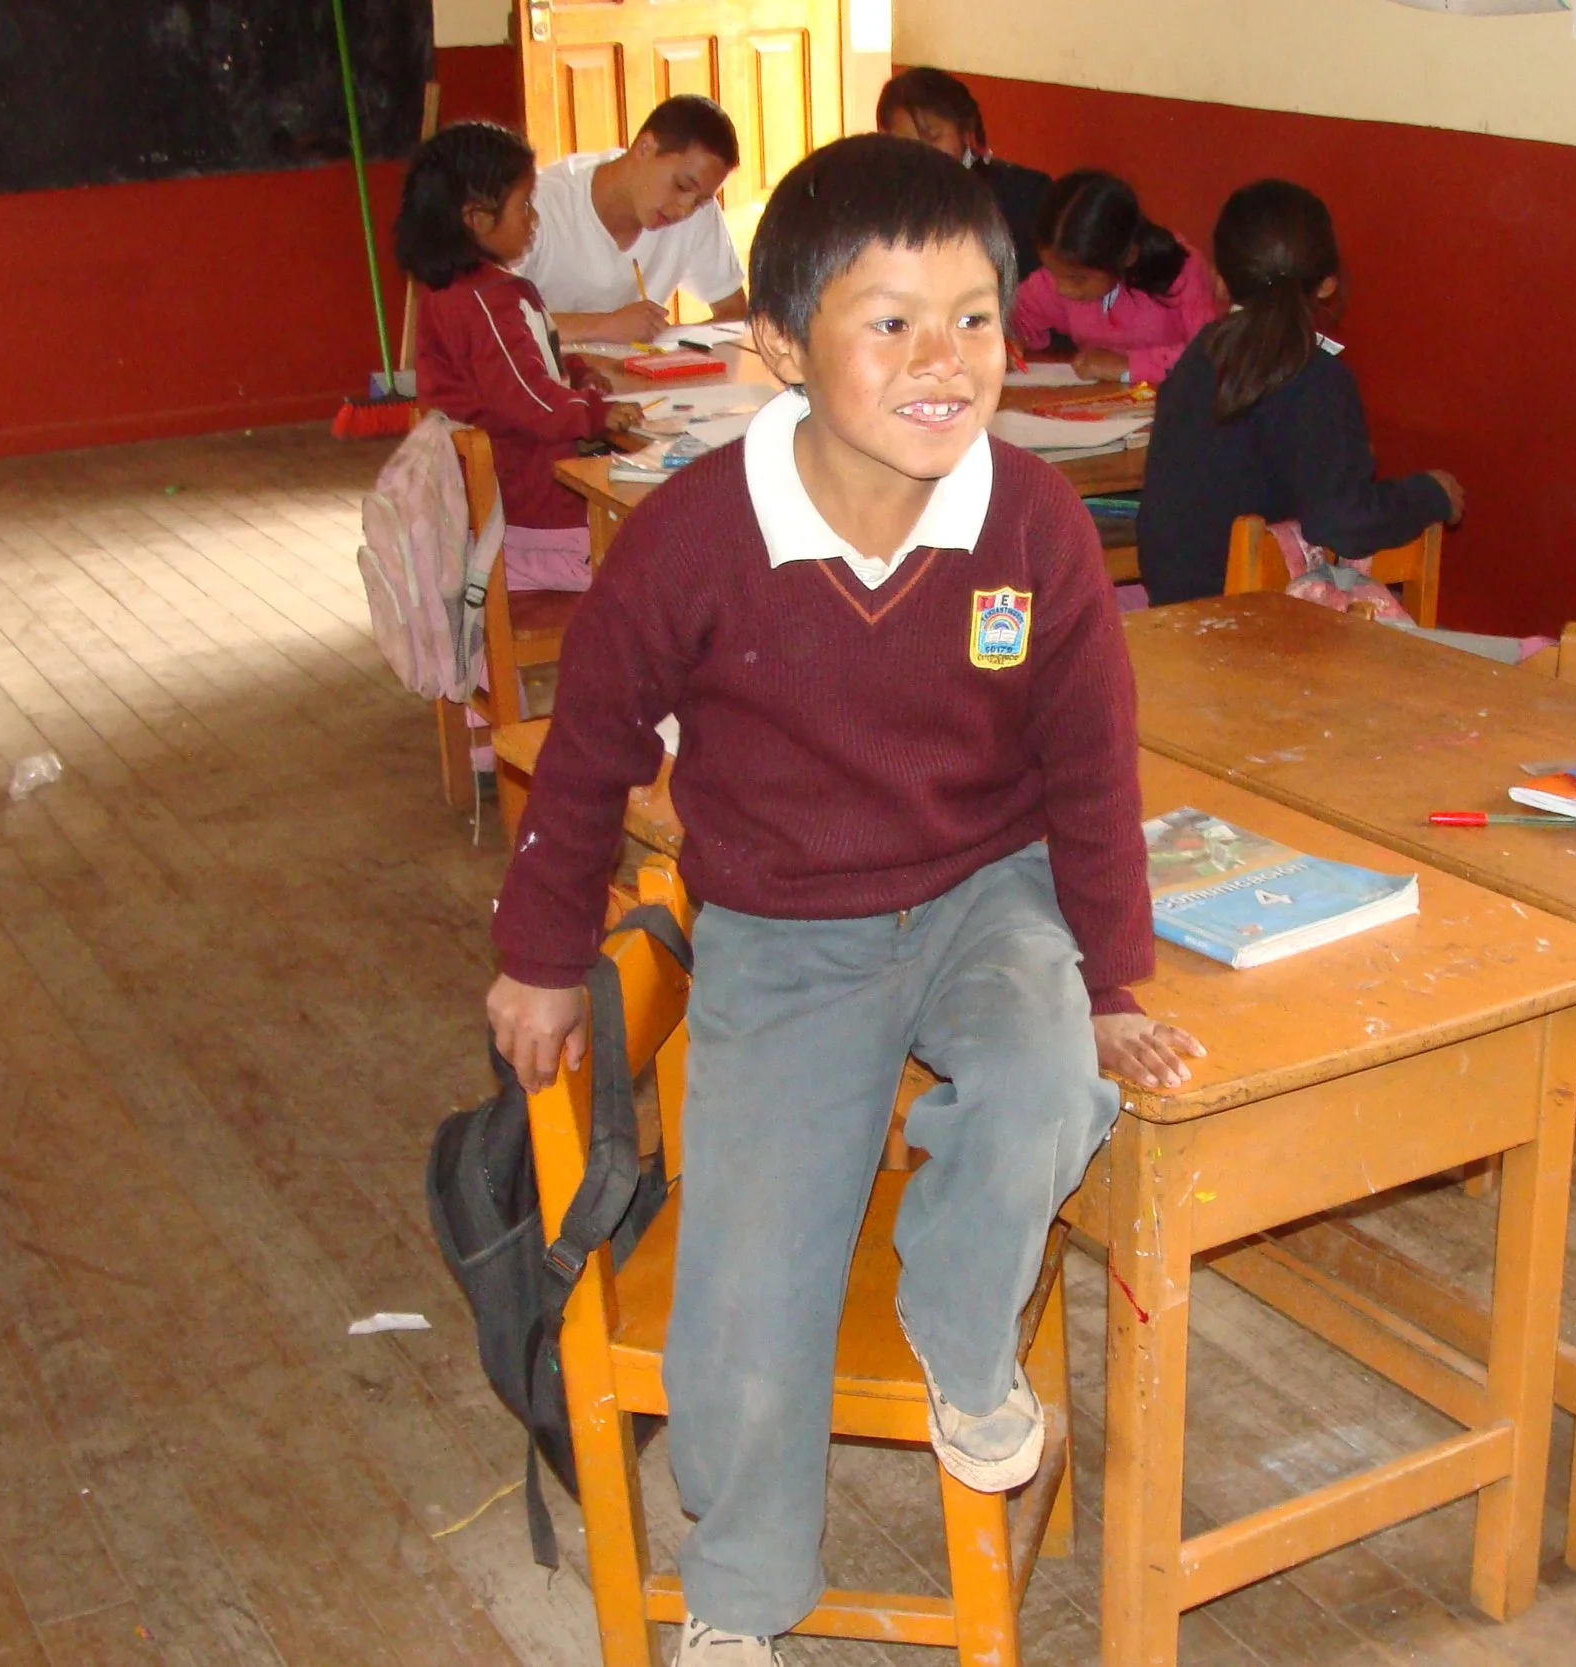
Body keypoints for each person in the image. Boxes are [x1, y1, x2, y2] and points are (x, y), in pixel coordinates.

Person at [485, 132, 1202, 1665]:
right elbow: (591, 748)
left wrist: (1121, 978)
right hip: (785, 934)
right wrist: (543, 957)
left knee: (1046, 1080)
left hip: (982, 890)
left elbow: (1090, 769)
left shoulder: (1031, 524)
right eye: (891, 322)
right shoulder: (694, 540)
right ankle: (741, 1599)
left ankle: (958, 1324)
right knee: (749, 1282)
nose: (945, 359)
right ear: (776, 345)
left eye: (976, 318)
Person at [1136, 179, 1462, 607]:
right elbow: (1343, 521)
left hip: (1175, 614)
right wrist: (1430, 494)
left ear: (1220, 281)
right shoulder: (1317, 379)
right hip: (1254, 622)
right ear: (1327, 284)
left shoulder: (1200, 355)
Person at [396, 121, 642, 584]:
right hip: (533, 525)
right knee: (663, 566)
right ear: (477, 218)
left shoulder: (459, 293)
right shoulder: (489, 302)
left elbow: (517, 367)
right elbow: (528, 399)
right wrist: (595, 413)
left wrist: (574, 371)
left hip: (505, 517)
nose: (534, 219)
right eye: (525, 205)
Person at [515, 94, 749, 344]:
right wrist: (604, 326)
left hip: (639, 378)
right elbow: (488, 324)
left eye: (701, 200)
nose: (684, 210)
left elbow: (734, 315)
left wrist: (669, 342)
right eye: (681, 186)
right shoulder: (538, 204)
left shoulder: (697, 212)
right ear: (645, 147)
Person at [1010, 170, 1221, 384]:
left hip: (1171, 405)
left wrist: (1129, 366)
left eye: (1077, 279)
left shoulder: (1181, 271)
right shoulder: (1059, 278)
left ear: (1128, 256)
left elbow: (1212, 355)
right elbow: (1018, 315)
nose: (1061, 288)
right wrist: (1010, 340)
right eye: (1053, 273)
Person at [875, 65, 1053, 281]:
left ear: (964, 129)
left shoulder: (1024, 196)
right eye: (905, 143)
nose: (922, 153)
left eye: (933, 136)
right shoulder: (880, 202)